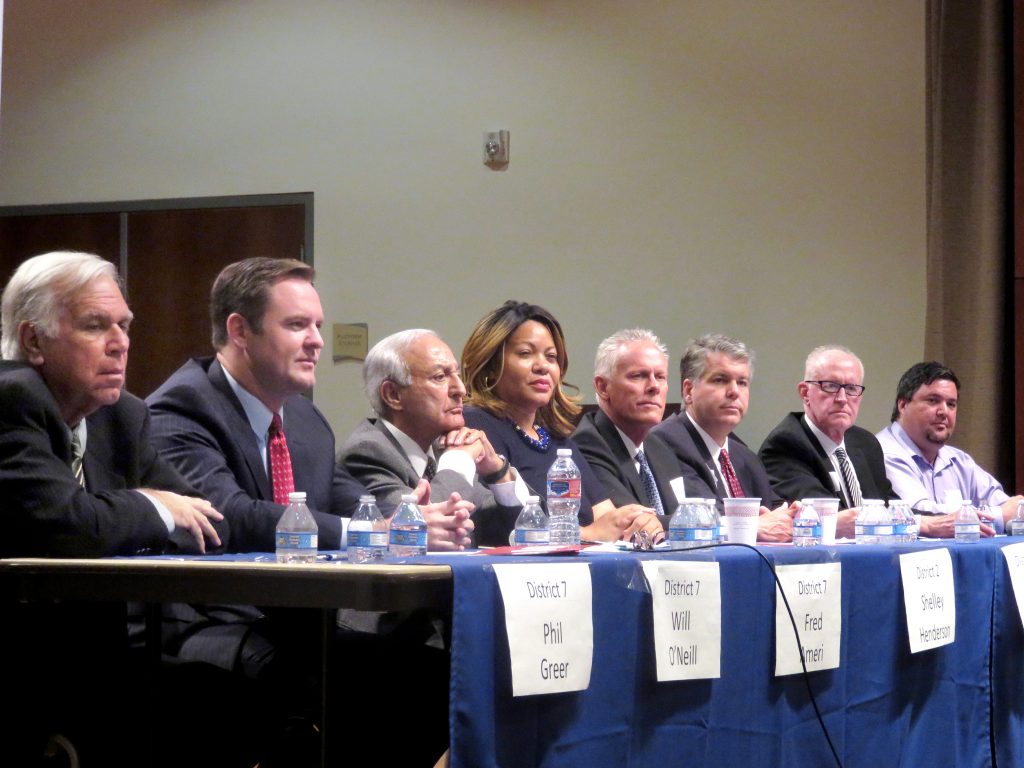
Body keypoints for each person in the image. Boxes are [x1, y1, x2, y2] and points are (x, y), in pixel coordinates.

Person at [0, 251, 225, 766]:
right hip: (24, 662)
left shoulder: (121, 414)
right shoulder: (11, 397)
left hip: (91, 657)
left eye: (124, 325)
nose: (120, 343)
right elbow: (70, 525)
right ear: (34, 340)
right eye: (95, 325)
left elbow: (207, 519)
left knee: (220, 702)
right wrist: (151, 506)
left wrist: (148, 513)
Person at [461, 300, 664, 543]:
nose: (543, 366)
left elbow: (608, 519)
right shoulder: (475, 424)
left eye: (551, 357)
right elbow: (497, 526)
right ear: (492, 366)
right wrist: (586, 534)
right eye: (526, 353)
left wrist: (637, 521)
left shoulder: (559, 442)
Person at [339, 329, 526, 546]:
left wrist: (497, 471)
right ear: (393, 395)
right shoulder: (367, 452)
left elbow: (522, 532)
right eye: (440, 377)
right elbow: (424, 532)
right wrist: (459, 462)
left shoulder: (442, 447)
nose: (461, 390)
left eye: (457, 375)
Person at [650, 333, 797, 542]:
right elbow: (698, 516)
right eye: (721, 380)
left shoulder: (745, 457)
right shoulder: (664, 443)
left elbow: (774, 512)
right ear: (688, 390)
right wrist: (752, 526)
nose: (734, 391)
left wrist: (792, 515)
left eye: (742, 382)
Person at [758, 345, 895, 538]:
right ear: (805, 392)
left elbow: (892, 505)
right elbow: (826, 514)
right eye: (830, 386)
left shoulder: (866, 443)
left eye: (851, 389)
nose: (842, 399)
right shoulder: (785, 445)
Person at [876, 361, 1021, 537]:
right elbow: (919, 514)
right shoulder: (881, 452)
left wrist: (1012, 513)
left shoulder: (960, 461)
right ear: (903, 405)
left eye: (951, 404)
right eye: (933, 400)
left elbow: (1012, 508)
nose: (944, 411)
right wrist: (999, 515)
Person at [572, 329, 685, 526]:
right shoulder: (587, 444)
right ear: (603, 387)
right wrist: (720, 524)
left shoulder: (660, 447)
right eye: (638, 376)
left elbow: (684, 512)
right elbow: (633, 522)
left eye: (660, 376)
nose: (654, 386)